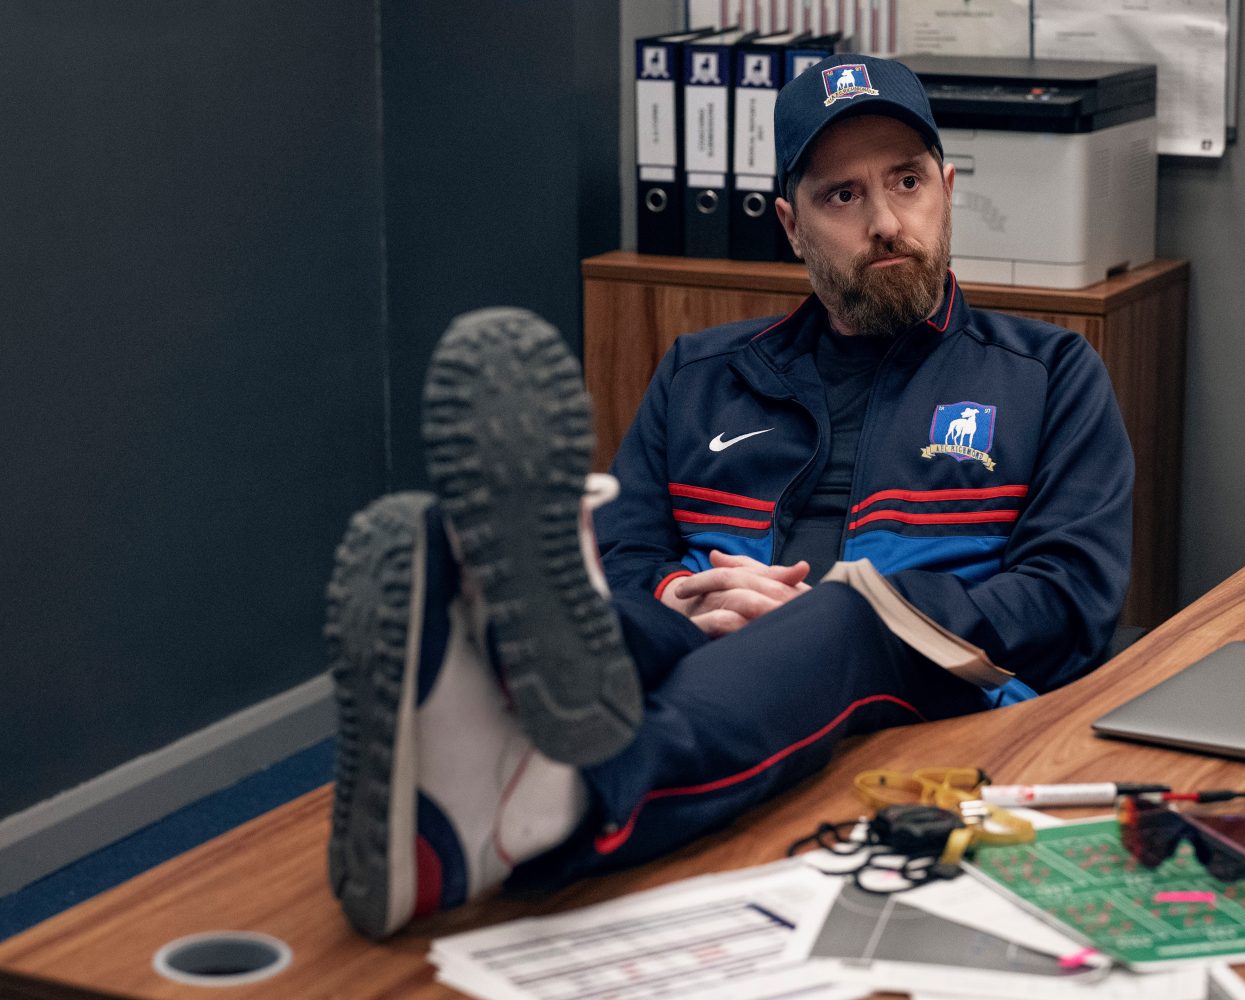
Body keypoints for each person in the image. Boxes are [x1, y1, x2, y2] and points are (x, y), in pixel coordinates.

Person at [325, 54, 1133, 940]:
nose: (887, 221)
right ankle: (467, 696)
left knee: (840, 622)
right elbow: (630, 552)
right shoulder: (700, 375)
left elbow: (1071, 598)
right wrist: (684, 597)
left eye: (906, 181)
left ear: (946, 187)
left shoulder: (1051, 374)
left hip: (934, 689)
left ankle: (565, 807)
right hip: (712, 658)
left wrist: (850, 603)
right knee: (629, 618)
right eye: (842, 197)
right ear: (791, 224)